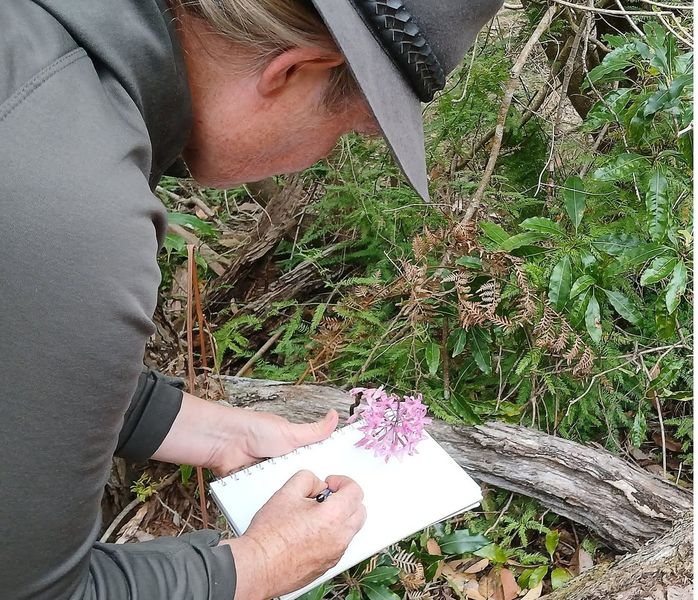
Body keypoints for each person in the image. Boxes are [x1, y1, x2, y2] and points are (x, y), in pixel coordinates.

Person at [0, 0, 502, 598]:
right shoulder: (82, 215)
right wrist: (259, 564)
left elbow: (22, 366)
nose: (324, 155)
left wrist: (221, 436)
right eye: (345, 132)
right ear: (293, 71)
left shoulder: (44, 59)